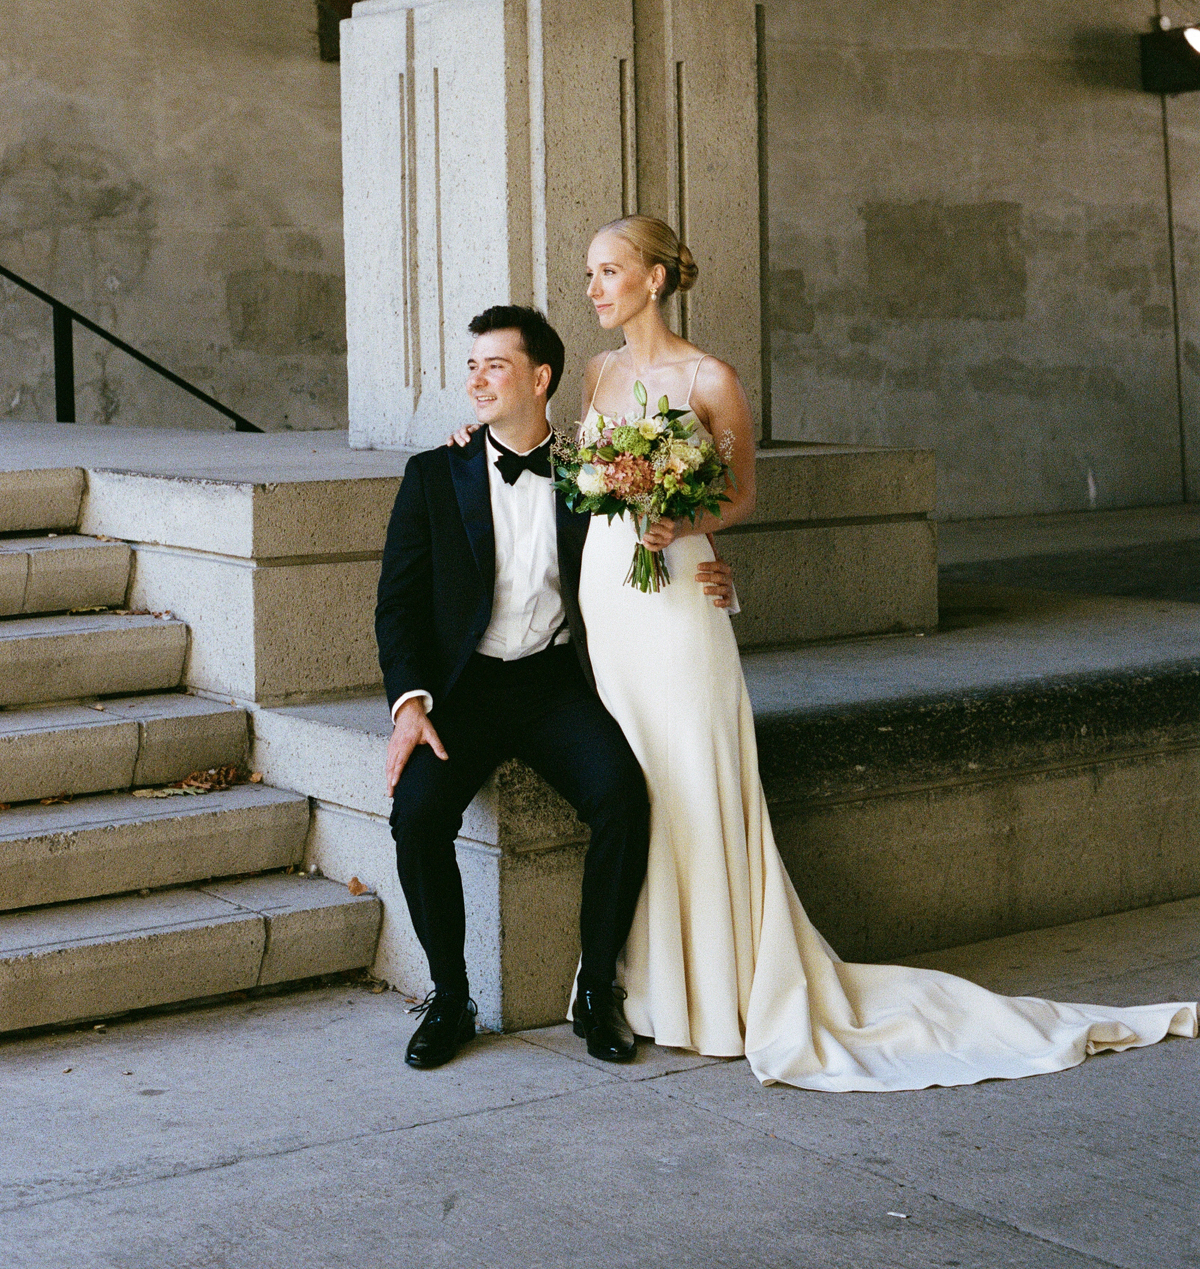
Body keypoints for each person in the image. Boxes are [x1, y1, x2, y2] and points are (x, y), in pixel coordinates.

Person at [575, 214, 1198, 1091]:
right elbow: (576, 478)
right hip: (609, 595)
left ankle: (714, 990)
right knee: (635, 776)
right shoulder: (597, 372)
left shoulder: (710, 377)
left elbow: (741, 493)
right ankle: (641, 984)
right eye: (591, 273)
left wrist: (684, 524)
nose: (594, 288)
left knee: (694, 773)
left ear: (655, 277)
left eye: (609, 270)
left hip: (678, 593)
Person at [376, 302, 734, 1070]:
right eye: (471, 366)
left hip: (554, 684)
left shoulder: (592, 473)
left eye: (495, 366)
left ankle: (598, 990)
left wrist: (713, 574)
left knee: (623, 798)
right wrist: (410, 703)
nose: (476, 380)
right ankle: (450, 996)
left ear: (540, 378)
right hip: (465, 690)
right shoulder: (433, 473)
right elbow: (396, 605)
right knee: (417, 813)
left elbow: (658, 545)